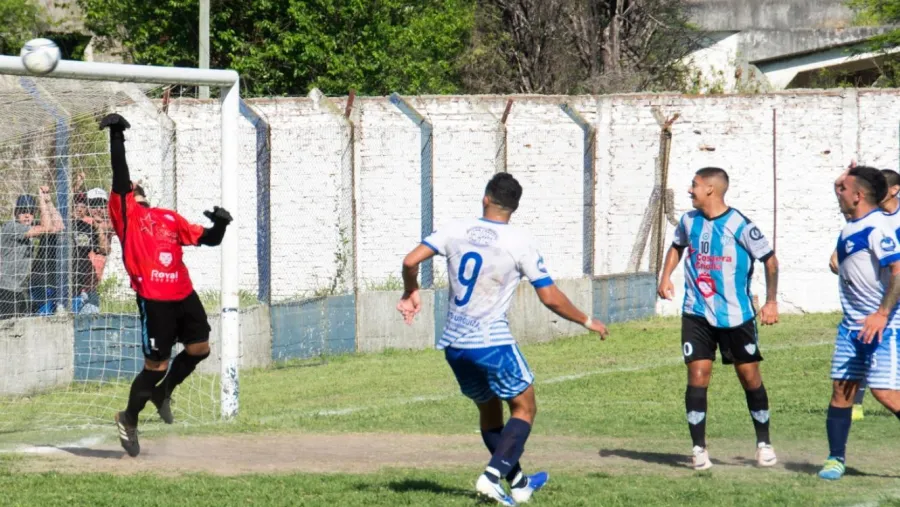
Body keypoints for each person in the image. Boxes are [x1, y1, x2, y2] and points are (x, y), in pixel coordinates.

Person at [397, 172, 609, 506]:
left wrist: (411, 290)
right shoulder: (518, 241)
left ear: (486, 198)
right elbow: (550, 297)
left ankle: (520, 484)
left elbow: (410, 261)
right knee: (525, 408)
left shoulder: (455, 229)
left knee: (490, 411)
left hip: (454, 345)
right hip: (491, 342)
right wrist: (586, 320)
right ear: (515, 207)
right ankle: (491, 478)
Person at [100, 113, 233, 457]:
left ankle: (163, 393)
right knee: (155, 366)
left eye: (134, 188)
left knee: (200, 348)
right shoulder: (126, 216)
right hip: (154, 299)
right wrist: (117, 135)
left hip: (184, 295)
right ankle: (129, 418)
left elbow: (209, 239)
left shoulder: (168, 217)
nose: (129, 187)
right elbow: (120, 177)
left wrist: (221, 224)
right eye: (127, 188)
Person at [657, 167, 780, 471]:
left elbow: (770, 260)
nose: (690, 190)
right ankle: (698, 449)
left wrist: (771, 301)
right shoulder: (689, 221)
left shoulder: (740, 225)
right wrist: (665, 276)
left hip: (736, 316)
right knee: (697, 375)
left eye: (695, 185)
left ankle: (763, 443)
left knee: (749, 378)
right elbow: (677, 246)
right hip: (696, 312)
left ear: (710, 189)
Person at [819, 165, 900, 480]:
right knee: (842, 391)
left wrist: (881, 314)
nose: (838, 191)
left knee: (885, 392)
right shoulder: (853, 223)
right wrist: (846, 175)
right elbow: (841, 186)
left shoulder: (877, 227)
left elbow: (898, 271)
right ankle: (835, 459)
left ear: (858, 196)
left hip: (884, 327)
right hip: (851, 327)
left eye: (843, 188)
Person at [0, 188, 64, 319]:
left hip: (20, 290)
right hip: (6, 289)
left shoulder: (29, 226)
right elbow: (46, 228)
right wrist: (41, 200)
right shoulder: (12, 227)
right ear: (16, 213)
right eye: (23, 211)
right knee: (7, 327)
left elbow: (59, 227)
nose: (27, 215)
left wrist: (48, 202)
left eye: (30, 212)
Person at [71, 188, 110, 314]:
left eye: (102, 205)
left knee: (91, 323)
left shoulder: (108, 224)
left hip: (92, 289)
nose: (98, 209)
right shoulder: (83, 221)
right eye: (94, 205)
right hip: (75, 287)